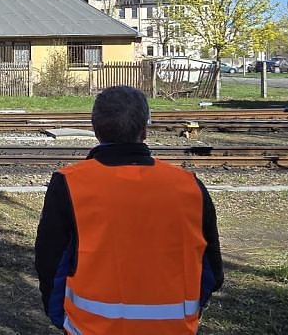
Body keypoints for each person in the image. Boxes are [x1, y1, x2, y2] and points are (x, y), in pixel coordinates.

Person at [34, 85, 223, 335]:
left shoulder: (69, 183)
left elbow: (51, 263)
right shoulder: (189, 186)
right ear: (144, 129)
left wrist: (62, 319)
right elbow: (211, 270)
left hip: (91, 329)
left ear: (95, 128)